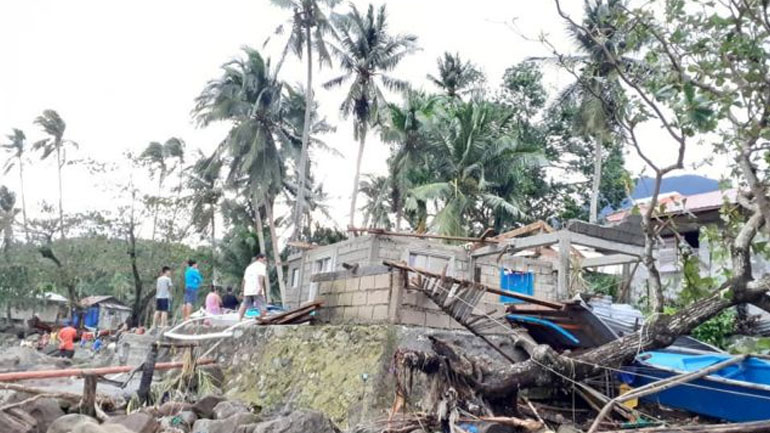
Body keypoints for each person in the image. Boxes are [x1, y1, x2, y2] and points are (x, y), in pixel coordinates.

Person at [238, 254, 268, 321]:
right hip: (256, 288)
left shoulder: (249, 267)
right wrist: (260, 287)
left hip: (248, 290)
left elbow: (244, 280)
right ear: (259, 258)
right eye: (264, 260)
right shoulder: (261, 266)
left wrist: (242, 290)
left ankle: (239, 319)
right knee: (262, 305)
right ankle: (263, 319)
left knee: (245, 304)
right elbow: (260, 277)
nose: (265, 261)